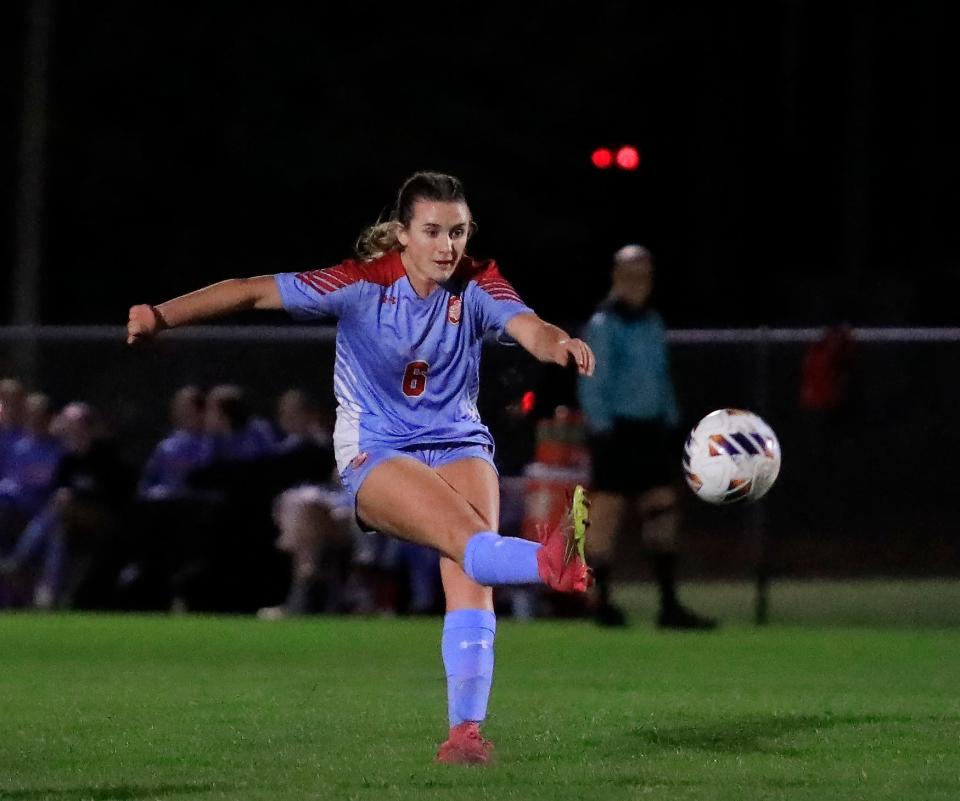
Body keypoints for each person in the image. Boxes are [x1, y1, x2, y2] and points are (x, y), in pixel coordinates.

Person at [127, 171, 594, 764]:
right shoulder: (358, 284)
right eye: (432, 231)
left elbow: (527, 325)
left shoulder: (478, 282)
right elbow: (250, 291)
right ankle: (550, 564)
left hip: (459, 443)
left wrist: (557, 345)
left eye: (457, 231)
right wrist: (160, 316)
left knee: (470, 581)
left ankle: (465, 735)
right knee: (470, 541)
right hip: (380, 450)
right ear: (403, 234)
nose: (448, 245)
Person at [578, 245, 716, 630]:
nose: (639, 284)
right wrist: (602, 430)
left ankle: (669, 605)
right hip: (616, 431)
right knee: (607, 515)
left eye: (645, 276)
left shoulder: (652, 322)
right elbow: (594, 381)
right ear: (616, 278)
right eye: (631, 276)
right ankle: (600, 602)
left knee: (662, 509)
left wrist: (671, 423)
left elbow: (661, 377)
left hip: (650, 430)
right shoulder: (604, 325)